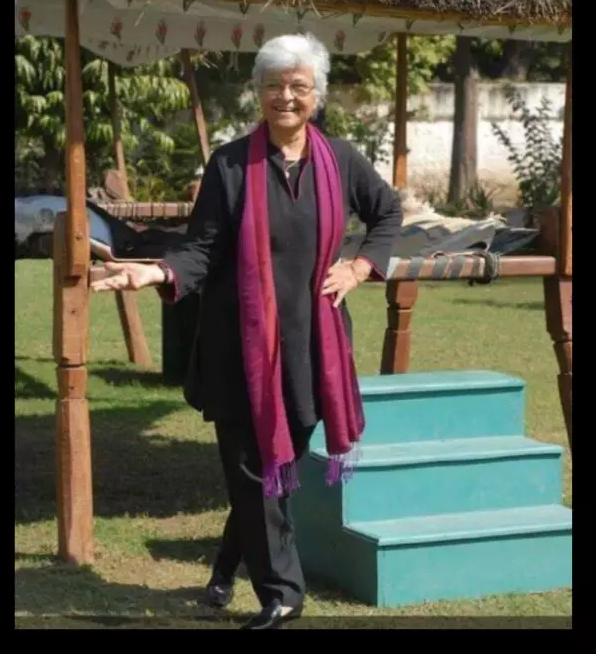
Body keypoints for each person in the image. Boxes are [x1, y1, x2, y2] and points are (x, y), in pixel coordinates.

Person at [91, 33, 402, 629]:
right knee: (257, 468)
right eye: (273, 85)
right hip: (241, 347)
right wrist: (157, 271)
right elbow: (202, 248)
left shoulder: (342, 160)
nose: (285, 96)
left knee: (274, 463)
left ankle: (223, 569)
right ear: (258, 92)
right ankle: (283, 593)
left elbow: (387, 212)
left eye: (298, 86)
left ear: (316, 94)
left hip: (312, 346)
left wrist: (361, 266)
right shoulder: (230, 164)